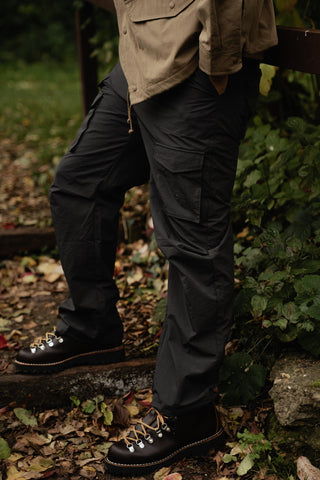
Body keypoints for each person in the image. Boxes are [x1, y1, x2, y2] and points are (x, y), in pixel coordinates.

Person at [15, 0, 278, 475]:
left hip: (194, 68)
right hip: (140, 57)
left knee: (192, 245)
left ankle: (188, 410)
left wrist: (216, 66)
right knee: (80, 184)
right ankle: (91, 328)